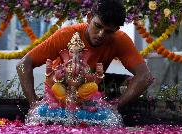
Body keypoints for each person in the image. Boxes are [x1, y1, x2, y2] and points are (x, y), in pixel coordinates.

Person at [16, 0, 152, 113]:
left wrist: (117, 106)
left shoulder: (120, 39)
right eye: (97, 26)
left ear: (116, 30)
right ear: (89, 17)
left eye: (108, 31)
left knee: (126, 82)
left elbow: (144, 76)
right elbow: (23, 64)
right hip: (60, 91)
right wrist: (33, 104)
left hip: (89, 90)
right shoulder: (65, 35)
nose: (101, 34)